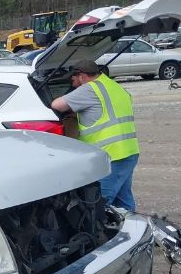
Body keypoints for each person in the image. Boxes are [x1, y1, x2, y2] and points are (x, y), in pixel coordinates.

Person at [51, 59, 139, 211]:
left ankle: (102, 233)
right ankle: (131, 229)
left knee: (100, 204)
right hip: (129, 151)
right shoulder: (113, 86)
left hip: (111, 155)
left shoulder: (90, 88)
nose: (73, 85)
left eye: (73, 80)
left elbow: (56, 105)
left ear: (82, 77)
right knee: (123, 200)